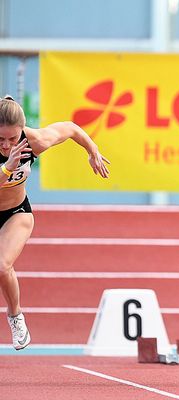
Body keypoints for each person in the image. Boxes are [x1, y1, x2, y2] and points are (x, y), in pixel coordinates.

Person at [0, 95, 110, 350]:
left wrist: (92, 149)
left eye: (12, 139)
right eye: (1, 139)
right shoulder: (8, 153)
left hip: (16, 212)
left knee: (3, 266)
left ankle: (15, 316)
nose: (6, 145)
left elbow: (70, 128)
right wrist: (7, 167)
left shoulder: (34, 141)